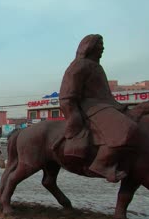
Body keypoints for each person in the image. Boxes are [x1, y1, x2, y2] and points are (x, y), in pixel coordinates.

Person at [59, 34, 137, 183]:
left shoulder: (97, 66)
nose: (102, 49)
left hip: (104, 105)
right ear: (90, 47)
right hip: (89, 106)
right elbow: (66, 95)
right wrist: (73, 114)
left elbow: (104, 94)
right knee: (126, 128)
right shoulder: (80, 65)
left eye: (102, 46)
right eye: (99, 46)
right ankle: (101, 164)